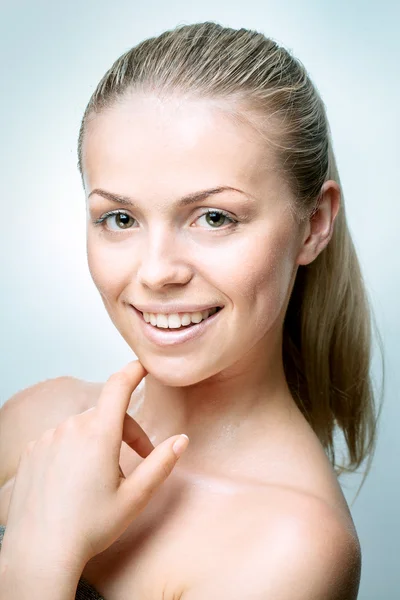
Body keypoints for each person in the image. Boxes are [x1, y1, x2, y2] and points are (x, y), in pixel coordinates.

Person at [0, 21, 381, 600]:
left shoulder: (294, 549)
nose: (156, 272)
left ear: (315, 224)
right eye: (120, 219)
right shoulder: (38, 422)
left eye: (214, 218)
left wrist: (38, 562)